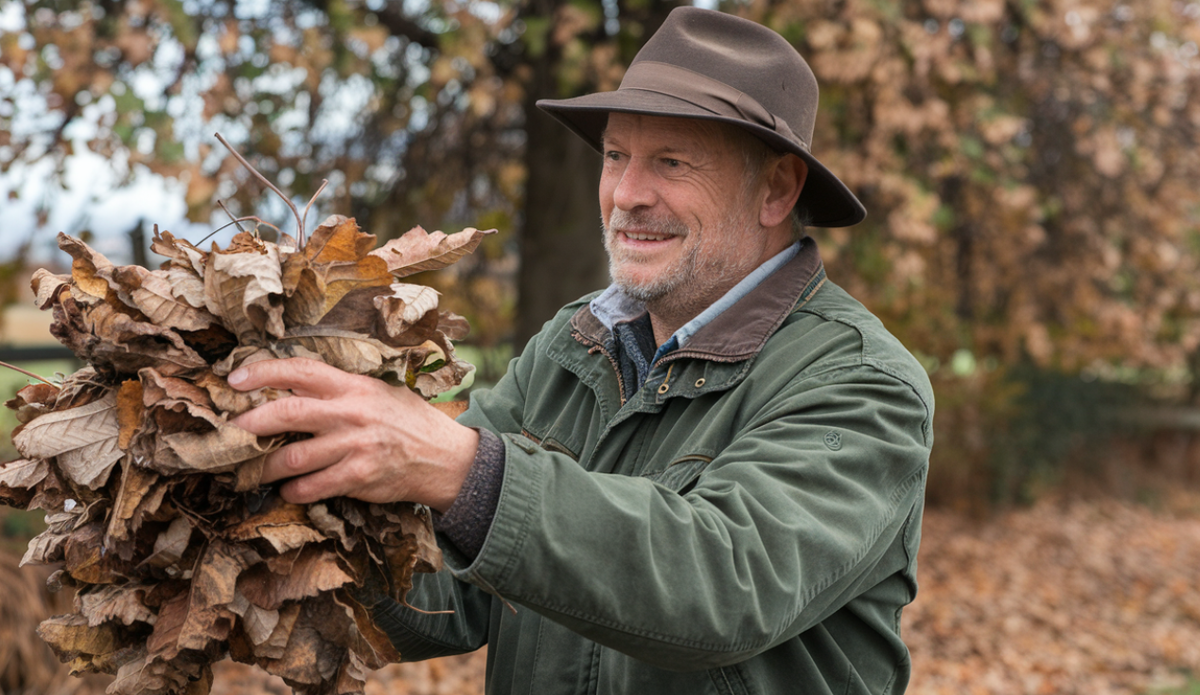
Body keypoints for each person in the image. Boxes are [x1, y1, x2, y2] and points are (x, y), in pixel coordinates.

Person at [230, 7, 934, 694]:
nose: (626, 195)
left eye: (671, 162)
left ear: (777, 188)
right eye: (617, 156)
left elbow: (726, 584)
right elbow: (447, 596)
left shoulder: (861, 382)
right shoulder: (573, 343)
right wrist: (278, 514)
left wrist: (459, 468)